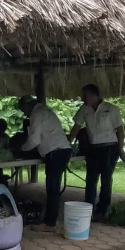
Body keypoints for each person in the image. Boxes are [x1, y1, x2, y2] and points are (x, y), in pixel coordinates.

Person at [69, 84, 125, 221]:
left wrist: (121, 149)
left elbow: (119, 130)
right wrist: (68, 143)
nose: (83, 98)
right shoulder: (84, 109)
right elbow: (76, 127)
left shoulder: (111, 109)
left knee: (106, 180)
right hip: (93, 148)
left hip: (109, 148)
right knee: (91, 179)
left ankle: (102, 210)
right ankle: (88, 209)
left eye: (86, 95)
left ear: (96, 95)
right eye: (83, 96)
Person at [19, 95, 73, 230]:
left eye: (23, 109)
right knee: (53, 187)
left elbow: (34, 140)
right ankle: (50, 220)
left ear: (27, 106)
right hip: (62, 150)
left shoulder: (36, 114)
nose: (23, 113)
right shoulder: (45, 111)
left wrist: (22, 149)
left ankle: (49, 223)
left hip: (56, 152)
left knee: (52, 188)